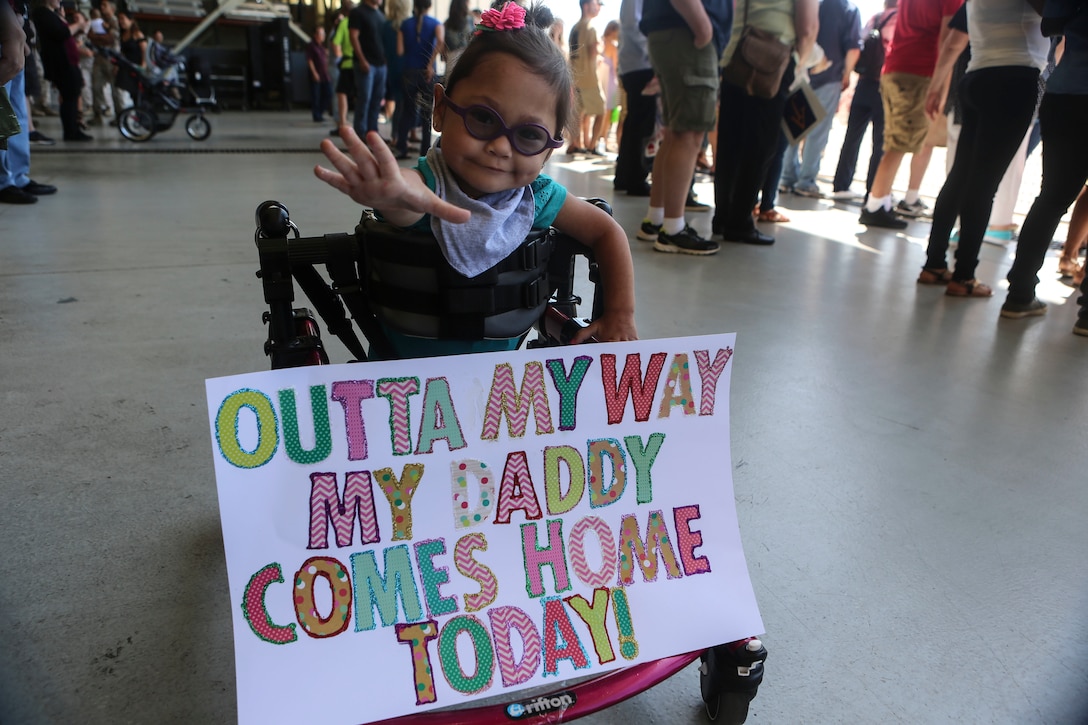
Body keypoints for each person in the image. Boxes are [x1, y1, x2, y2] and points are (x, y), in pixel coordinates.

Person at [315, 2, 636, 358]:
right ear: (440, 109)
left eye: (529, 135)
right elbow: (407, 197)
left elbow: (607, 231)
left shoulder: (538, 197)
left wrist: (620, 314)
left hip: (501, 390)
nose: (500, 147)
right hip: (401, 387)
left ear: (550, 148)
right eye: (483, 118)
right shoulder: (428, 186)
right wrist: (388, 193)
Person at [919, 0, 1046, 299]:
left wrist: (936, 85)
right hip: (1014, 78)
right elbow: (1057, 17)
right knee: (983, 185)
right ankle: (964, 276)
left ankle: (934, 263)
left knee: (960, 177)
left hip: (976, 75)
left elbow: (953, 42)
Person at [1003, 0, 1088, 325]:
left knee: (1051, 198)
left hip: (1066, 91)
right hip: (1068, 89)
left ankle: (1019, 294)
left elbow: (1051, 20)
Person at [712, 0, 818, 247]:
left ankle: (723, 216)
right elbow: (808, 27)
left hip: (736, 53)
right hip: (773, 58)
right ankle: (740, 221)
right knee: (762, 144)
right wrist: (801, 63)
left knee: (730, 142)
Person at [635, 0, 731, 255]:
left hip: (673, 30)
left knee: (676, 133)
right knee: (689, 133)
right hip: (687, 31)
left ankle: (656, 219)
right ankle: (673, 229)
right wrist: (703, 29)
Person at [858, 0, 962, 229]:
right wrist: (940, 87)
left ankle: (881, 201)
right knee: (899, 144)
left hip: (896, 66)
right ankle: (874, 206)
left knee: (895, 141)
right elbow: (947, 40)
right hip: (919, 72)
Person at [779, 0, 862, 198]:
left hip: (801, 72)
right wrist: (847, 73)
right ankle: (806, 181)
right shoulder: (848, 9)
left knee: (795, 127)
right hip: (829, 75)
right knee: (818, 132)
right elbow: (853, 47)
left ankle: (786, 177)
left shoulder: (814, 3)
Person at [831, 0, 898, 201]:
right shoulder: (898, 20)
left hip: (863, 84)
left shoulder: (874, 18)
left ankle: (841, 185)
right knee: (880, 143)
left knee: (852, 137)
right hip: (883, 85)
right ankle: (873, 190)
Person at [2, 0, 56, 204]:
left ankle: (16, 175)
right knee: (3, 112)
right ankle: (3, 180)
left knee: (17, 111)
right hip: (6, 22)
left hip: (15, 20)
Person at [32, 0, 89, 141]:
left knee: (74, 94)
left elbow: (65, 34)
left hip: (69, 60)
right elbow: (60, 33)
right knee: (69, 96)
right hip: (61, 62)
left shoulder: (53, 14)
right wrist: (79, 25)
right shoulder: (42, 13)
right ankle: (70, 132)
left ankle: (74, 128)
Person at [613, 0, 653, 196]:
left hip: (636, 63)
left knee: (635, 121)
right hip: (640, 63)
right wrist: (653, 52)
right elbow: (632, 24)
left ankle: (626, 176)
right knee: (642, 122)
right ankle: (635, 177)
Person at [394, 0, 442, 159]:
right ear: (429, 6)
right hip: (427, 74)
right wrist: (430, 64)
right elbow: (441, 42)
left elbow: (400, 51)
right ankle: (424, 151)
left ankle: (402, 147)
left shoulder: (404, 25)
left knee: (407, 111)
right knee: (427, 113)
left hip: (409, 72)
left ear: (414, 6)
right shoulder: (436, 23)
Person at [568, 0, 605, 155]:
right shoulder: (591, 27)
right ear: (586, 6)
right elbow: (593, 52)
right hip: (589, 77)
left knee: (578, 113)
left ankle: (575, 144)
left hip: (576, 76)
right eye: (596, 3)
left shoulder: (574, 28)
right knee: (602, 110)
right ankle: (592, 146)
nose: (598, 7)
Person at [348, 0, 387, 139]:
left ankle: (373, 133)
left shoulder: (381, 15)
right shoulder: (358, 12)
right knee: (364, 99)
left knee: (377, 100)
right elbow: (353, 37)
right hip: (366, 64)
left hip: (381, 64)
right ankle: (360, 133)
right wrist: (362, 60)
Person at [87, 0, 122, 126]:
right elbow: (90, 35)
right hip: (99, 57)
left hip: (112, 58)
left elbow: (110, 38)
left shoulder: (115, 21)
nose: (101, 8)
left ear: (112, 8)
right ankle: (98, 115)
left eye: (104, 5)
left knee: (115, 89)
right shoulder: (99, 21)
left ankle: (120, 116)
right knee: (96, 87)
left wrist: (97, 37)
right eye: (101, 5)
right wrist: (98, 37)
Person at [381, 0, 410, 144]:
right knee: (406, 103)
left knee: (397, 101)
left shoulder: (385, 26)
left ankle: (396, 135)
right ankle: (402, 135)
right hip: (407, 67)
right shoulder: (408, 25)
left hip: (391, 67)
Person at [330, 0, 355, 137]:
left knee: (341, 93)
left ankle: (343, 123)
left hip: (346, 64)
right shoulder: (362, 23)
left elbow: (335, 42)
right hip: (362, 65)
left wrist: (339, 55)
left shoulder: (344, 23)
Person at [307, 25, 332, 123]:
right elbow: (309, 60)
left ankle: (321, 112)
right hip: (317, 74)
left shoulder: (322, 47)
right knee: (316, 96)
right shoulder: (311, 46)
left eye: (323, 34)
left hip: (325, 75)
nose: (323, 36)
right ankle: (316, 115)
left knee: (328, 93)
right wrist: (314, 73)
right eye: (321, 34)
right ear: (315, 35)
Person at [443, 0, 473, 71]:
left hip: (451, 57)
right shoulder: (470, 20)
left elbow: (443, 45)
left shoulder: (446, 23)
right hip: (468, 56)